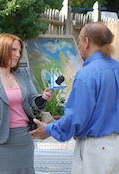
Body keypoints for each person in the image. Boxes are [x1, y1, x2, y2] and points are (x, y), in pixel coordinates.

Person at [31, 21, 119, 174]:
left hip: (95, 150)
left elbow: (76, 117)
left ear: (87, 42)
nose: (78, 47)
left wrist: (50, 129)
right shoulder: (116, 68)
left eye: (79, 42)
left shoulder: (87, 75)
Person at [0, 33, 54, 174]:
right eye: (13, 50)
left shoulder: (23, 74)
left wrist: (44, 97)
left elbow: (32, 100)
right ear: (1, 50)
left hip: (24, 140)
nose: (18, 55)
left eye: (19, 51)